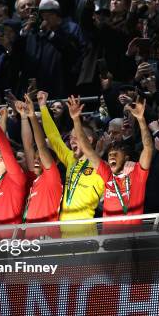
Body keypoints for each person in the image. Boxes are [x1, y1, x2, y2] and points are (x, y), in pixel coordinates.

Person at [69, 96, 153, 226]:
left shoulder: (137, 174)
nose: (111, 157)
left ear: (126, 158)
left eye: (115, 154)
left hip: (132, 238)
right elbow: (87, 149)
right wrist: (75, 120)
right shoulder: (107, 174)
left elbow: (148, 148)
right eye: (109, 155)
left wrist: (141, 119)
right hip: (108, 240)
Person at [39, 90, 105, 222]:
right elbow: (54, 137)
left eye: (76, 137)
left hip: (85, 233)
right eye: (70, 138)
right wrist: (42, 107)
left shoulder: (101, 168)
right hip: (62, 230)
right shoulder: (70, 159)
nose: (72, 140)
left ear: (90, 140)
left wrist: (76, 120)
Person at [16, 94, 63, 224]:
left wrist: (32, 116)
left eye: (40, 158)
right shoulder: (36, 180)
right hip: (30, 238)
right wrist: (24, 117)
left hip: (45, 239)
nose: (36, 160)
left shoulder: (52, 177)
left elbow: (41, 146)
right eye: (36, 158)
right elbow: (28, 145)